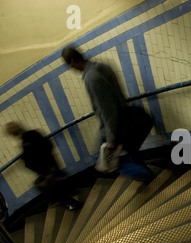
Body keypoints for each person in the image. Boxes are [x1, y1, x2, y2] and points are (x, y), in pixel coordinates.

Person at [61, 46, 154, 185]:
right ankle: (143, 170)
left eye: (69, 65)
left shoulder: (91, 78)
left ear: (73, 61)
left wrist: (110, 140)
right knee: (129, 148)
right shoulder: (101, 66)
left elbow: (108, 110)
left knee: (103, 161)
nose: (71, 68)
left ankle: (145, 175)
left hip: (114, 125)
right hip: (126, 116)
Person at [5, 122, 82, 211]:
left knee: (53, 189)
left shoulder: (26, 144)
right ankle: (72, 191)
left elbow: (32, 163)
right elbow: (49, 144)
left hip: (45, 171)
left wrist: (25, 160)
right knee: (59, 180)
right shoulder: (34, 133)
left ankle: (73, 203)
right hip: (53, 163)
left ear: (14, 134)